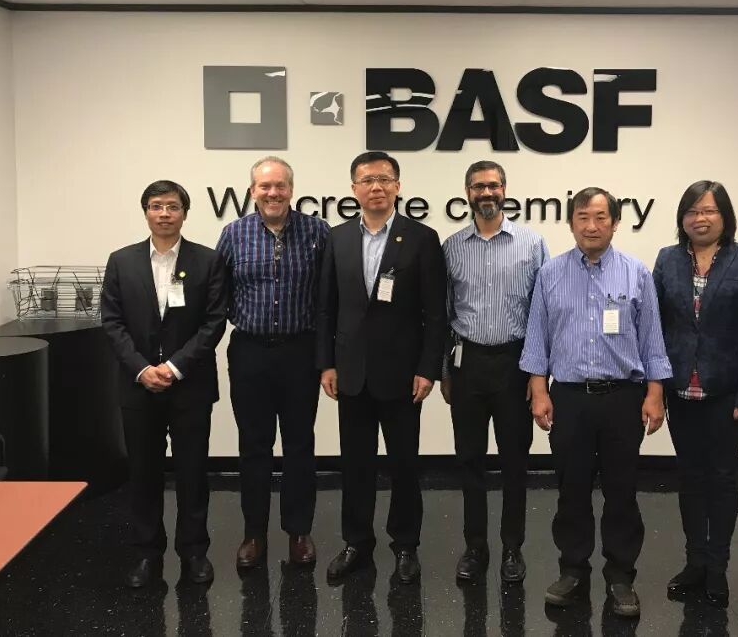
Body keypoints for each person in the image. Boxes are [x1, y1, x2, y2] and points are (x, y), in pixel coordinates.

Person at [521, 187, 672, 618]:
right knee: (571, 489)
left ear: (615, 223)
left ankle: (621, 576)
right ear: (571, 223)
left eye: (601, 217)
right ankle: (573, 570)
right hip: (569, 398)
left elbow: (652, 339)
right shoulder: (550, 273)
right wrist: (539, 391)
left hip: (623, 398)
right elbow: (537, 338)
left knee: (622, 490)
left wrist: (656, 394)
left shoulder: (636, 273)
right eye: (583, 217)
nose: (592, 226)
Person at [316, 151, 447, 585]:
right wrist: (326, 364)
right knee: (355, 464)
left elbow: (435, 313)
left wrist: (429, 368)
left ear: (398, 186)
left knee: (404, 464)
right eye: (367, 180)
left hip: (403, 375)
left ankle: (406, 544)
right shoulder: (336, 238)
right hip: (351, 372)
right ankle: (357, 542)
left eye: (385, 179)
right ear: (353, 188)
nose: (376, 187)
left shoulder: (422, 238)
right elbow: (326, 308)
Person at [652, 180, 738, 608]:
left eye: (709, 211)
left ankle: (717, 567)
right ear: (681, 218)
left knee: (721, 478)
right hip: (680, 389)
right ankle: (695, 562)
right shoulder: (667, 260)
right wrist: (654, 387)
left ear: (725, 217)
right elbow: (654, 327)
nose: (700, 219)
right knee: (689, 478)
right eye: (692, 211)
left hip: (727, 393)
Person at [101, 180, 227, 588]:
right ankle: (146, 554)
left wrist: (173, 367)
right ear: (146, 212)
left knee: (193, 472)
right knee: (143, 473)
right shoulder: (121, 261)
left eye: (172, 206)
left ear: (184, 213)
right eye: (156, 206)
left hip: (190, 386)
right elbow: (112, 322)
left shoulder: (207, 261)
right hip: (138, 386)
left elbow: (214, 322)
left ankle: (194, 552)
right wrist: (142, 369)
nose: (164, 214)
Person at [215, 157, 330, 569]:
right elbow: (218, 292)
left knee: (300, 444)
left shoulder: (317, 232)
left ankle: (298, 531)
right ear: (252, 191)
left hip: (300, 352)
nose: (273, 193)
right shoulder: (234, 234)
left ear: (291, 190)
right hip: (250, 352)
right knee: (254, 445)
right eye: (265, 186)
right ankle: (254, 533)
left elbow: (327, 296)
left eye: (280, 185)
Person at [441, 160, 548, 584]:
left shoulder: (532, 244)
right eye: (478, 186)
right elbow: (444, 314)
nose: (486, 192)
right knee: (469, 459)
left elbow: (542, 315)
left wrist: (539, 376)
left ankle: (512, 548)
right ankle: (475, 547)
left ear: (505, 189)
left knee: (514, 461)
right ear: (467, 192)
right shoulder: (452, 247)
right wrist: (445, 370)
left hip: (514, 364)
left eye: (493, 185)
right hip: (467, 365)